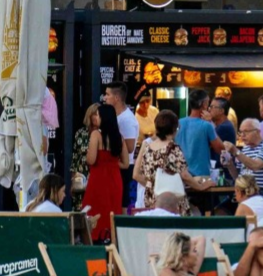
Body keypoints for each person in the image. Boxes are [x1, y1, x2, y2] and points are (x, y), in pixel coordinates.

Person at [80, 103, 124, 240]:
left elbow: (91, 159)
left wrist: (87, 155)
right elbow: (126, 163)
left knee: (95, 211)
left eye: (98, 115)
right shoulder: (119, 137)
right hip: (115, 179)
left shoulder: (96, 135)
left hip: (98, 179)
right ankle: (112, 239)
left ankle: (94, 239)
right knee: (112, 210)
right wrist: (111, 164)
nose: (96, 118)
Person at [133, 110, 188, 213]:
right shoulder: (173, 148)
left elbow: (136, 174)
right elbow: (184, 175)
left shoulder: (147, 146)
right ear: (174, 129)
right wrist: (200, 185)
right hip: (171, 200)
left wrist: (152, 187)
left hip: (150, 199)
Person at [178, 91, 224, 186]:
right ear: (203, 105)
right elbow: (221, 149)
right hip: (201, 179)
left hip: (180, 178)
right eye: (208, 104)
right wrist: (211, 122)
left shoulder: (178, 123)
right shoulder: (207, 125)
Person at [235, 119, 263, 192]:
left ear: (258, 132)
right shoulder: (245, 149)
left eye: (246, 131)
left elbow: (255, 165)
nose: (242, 135)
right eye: (241, 132)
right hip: (244, 192)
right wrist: (229, 163)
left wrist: (235, 151)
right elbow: (237, 175)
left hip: (261, 193)